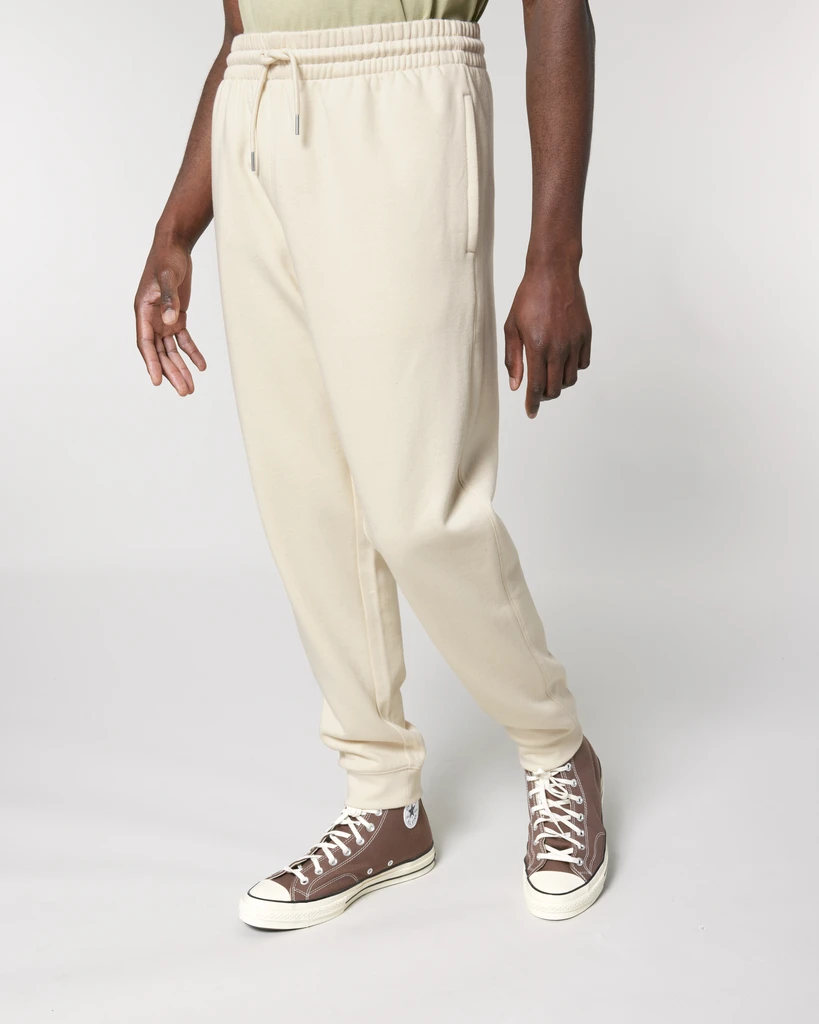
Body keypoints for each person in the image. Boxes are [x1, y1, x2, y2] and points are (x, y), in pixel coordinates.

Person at [134, 0, 605, 929]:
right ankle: (383, 796)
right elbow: (239, 35)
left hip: (405, 98)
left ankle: (555, 747)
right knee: (307, 494)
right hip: (254, 114)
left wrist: (554, 253)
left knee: (418, 509)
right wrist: (175, 229)